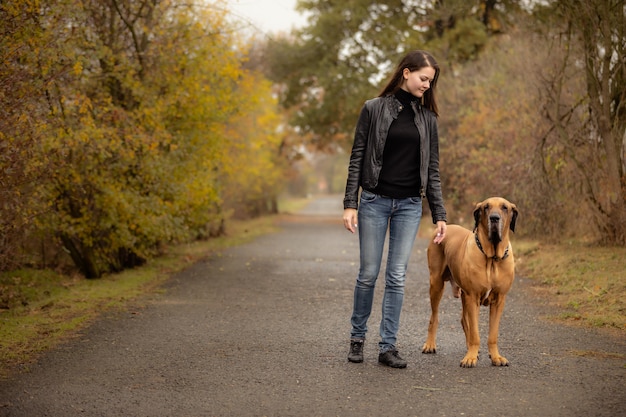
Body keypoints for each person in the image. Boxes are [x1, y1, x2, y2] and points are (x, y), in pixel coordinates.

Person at [342, 50, 448, 368]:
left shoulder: (428, 120)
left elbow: (432, 171)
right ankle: (357, 338)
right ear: (405, 72)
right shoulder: (373, 109)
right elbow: (357, 156)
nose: (427, 85)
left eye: (431, 81)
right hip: (374, 201)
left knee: (397, 277)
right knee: (368, 274)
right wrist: (351, 203)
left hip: (409, 206)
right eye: (423, 78)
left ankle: (388, 346)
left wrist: (439, 214)